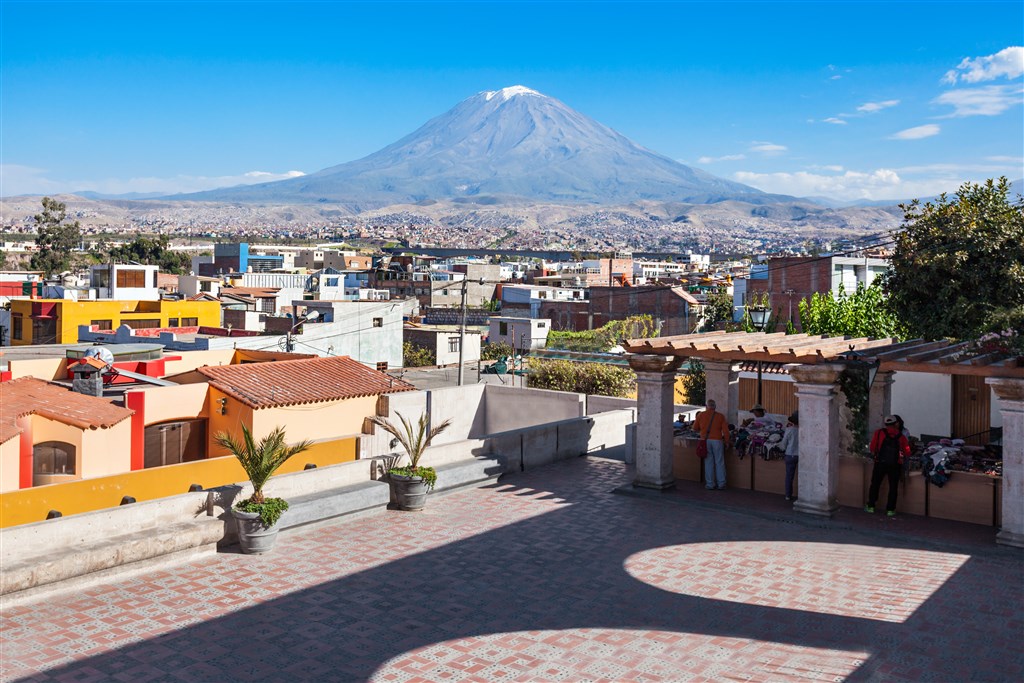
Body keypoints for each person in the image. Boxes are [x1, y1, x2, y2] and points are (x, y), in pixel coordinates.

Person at [866, 415, 912, 517]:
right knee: (893, 487)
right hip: (895, 465)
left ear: (885, 423)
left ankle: (871, 506)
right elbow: (907, 452)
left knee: (875, 484)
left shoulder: (878, 433)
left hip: (880, 463)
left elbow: (872, 447)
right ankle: (890, 510)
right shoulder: (901, 436)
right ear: (896, 424)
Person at [694, 398, 730, 490]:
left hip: (705, 440)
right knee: (719, 462)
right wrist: (727, 441)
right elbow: (726, 431)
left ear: (706, 406)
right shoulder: (720, 416)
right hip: (717, 440)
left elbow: (695, 428)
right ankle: (721, 483)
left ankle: (710, 484)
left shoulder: (701, 415)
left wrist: (702, 431)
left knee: (708, 462)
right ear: (715, 407)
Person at [780, 411, 799, 501]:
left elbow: (783, 444)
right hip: (802, 455)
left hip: (790, 454)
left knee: (789, 476)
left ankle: (788, 495)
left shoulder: (789, 430)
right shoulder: (804, 430)